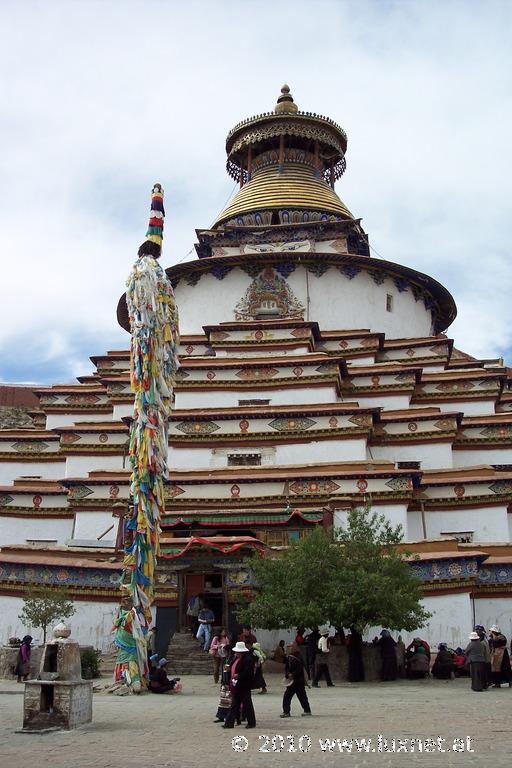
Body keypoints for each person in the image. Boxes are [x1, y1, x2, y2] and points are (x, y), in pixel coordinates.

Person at [223, 641, 256, 729]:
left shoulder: (248, 659)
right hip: (236, 684)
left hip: (244, 685)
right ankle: (229, 723)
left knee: (247, 704)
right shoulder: (235, 659)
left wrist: (239, 675)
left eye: (237, 651)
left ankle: (251, 722)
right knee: (234, 704)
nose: (236, 653)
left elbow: (248, 672)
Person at [280, 644, 312, 718]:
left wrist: (293, 674)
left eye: (291, 647)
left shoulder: (299, 657)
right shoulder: (289, 657)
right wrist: (288, 674)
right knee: (287, 696)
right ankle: (286, 711)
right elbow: (287, 667)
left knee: (302, 696)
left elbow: (300, 669)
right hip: (292, 681)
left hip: (298, 681)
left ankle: (307, 710)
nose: (290, 648)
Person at [214, 644, 237, 723]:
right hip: (224, 681)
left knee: (229, 701)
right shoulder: (225, 659)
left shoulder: (232, 659)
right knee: (223, 700)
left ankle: (229, 716)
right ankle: (221, 716)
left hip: (229, 682)